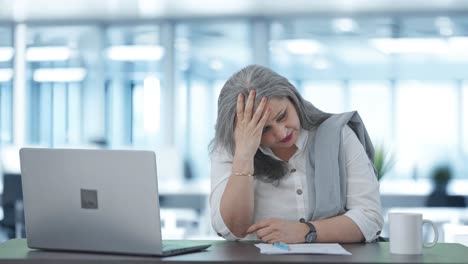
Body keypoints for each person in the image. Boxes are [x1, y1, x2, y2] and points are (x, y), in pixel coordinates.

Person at [209, 64, 383, 244]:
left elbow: (370, 218)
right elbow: (231, 230)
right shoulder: (230, 149)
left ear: (293, 98)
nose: (281, 133)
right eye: (264, 129)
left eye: (282, 116)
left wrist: (305, 231)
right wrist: (244, 155)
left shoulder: (339, 136)